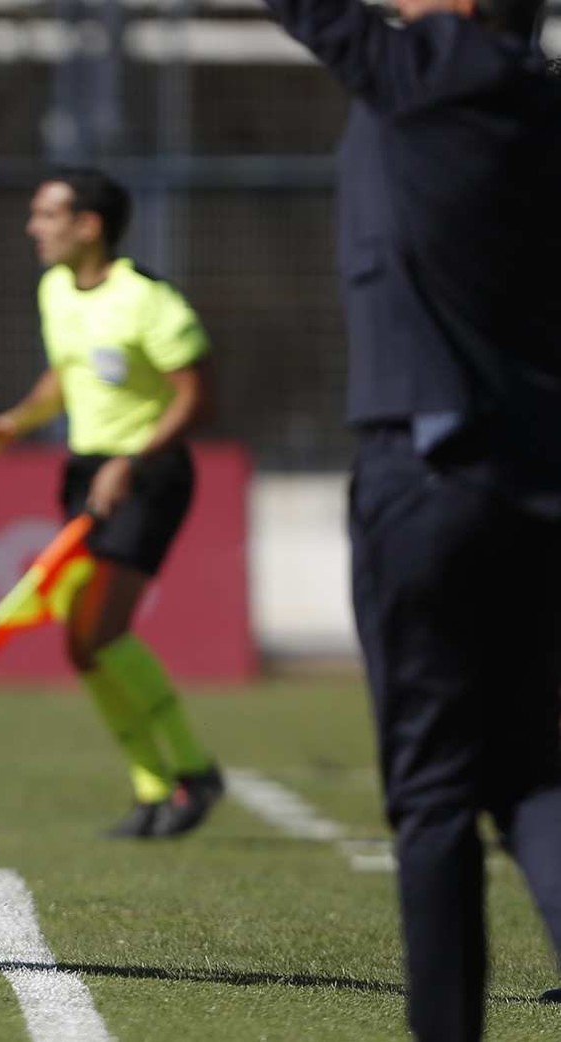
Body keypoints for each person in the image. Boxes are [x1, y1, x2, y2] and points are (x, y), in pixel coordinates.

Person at [260, 0, 561, 1036]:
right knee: (529, 774)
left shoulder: (422, 65)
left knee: (433, 797)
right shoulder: (537, 99)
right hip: (536, 480)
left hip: (426, 472)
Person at [0, 169, 223, 839]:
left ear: (88, 225)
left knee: (96, 632)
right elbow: (64, 373)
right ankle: (151, 788)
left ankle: (192, 773)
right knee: (83, 646)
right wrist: (17, 421)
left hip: (148, 474)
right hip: (86, 474)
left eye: (46, 215)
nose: (33, 228)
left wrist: (130, 463)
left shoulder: (149, 302)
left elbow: (194, 398)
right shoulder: (54, 289)